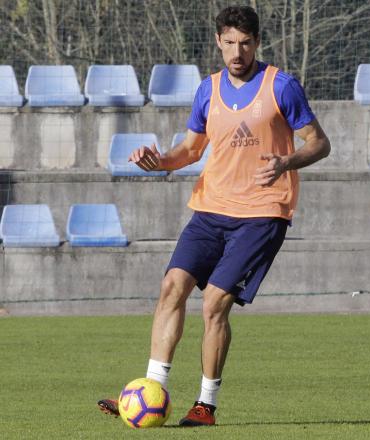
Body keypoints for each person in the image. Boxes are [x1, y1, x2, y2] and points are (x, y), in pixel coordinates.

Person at [98, 5, 330, 427]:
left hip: (262, 214)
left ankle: (205, 405)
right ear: (218, 43)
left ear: (257, 42)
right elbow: (189, 151)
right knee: (172, 287)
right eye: (229, 43)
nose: (236, 52)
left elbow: (319, 143)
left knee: (214, 304)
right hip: (209, 210)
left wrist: (287, 161)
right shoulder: (208, 89)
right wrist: (159, 161)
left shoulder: (283, 86)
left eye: (244, 43)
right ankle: (150, 390)